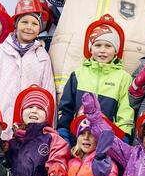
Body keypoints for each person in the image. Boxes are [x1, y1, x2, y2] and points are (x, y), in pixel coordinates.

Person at [0, 0, 55, 139]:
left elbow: (48, 93)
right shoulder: (0, 51)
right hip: (0, 121)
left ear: (40, 27)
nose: (29, 27)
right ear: (16, 24)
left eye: (34, 23)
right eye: (24, 22)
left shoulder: (42, 56)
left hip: (28, 126)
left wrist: (49, 128)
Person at [57, 14, 133, 143]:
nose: (102, 50)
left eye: (108, 46)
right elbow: (66, 108)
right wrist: (63, 133)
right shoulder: (78, 74)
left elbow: (126, 110)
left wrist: (123, 137)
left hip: (108, 141)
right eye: (98, 45)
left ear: (116, 50)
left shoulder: (123, 78)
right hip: (79, 140)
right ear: (90, 48)